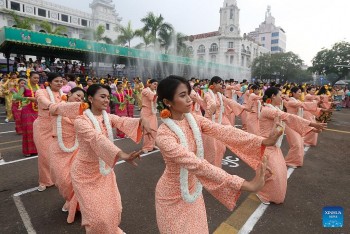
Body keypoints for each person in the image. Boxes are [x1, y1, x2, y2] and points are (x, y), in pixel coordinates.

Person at [155, 76, 282, 233]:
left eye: (189, 93)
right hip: (171, 197)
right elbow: (197, 164)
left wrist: (264, 141)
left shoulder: (193, 119)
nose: (189, 99)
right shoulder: (164, 135)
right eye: (182, 96)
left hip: (193, 190)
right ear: (168, 102)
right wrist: (245, 184)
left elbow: (223, 130)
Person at [71, 84, 152, 233]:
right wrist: (122, 155)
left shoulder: (108, 117)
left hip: (104, 172)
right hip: (84, 174)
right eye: (102, 97)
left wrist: (142, 121)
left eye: (108, 97)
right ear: (90, 98)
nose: (107, 100)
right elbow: (97, 139)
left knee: (114, 209)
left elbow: (122, 121)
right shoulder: (80, 121)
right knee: (96, 218)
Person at [257, 87, 326, 204]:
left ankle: (270, 193)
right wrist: (312, 124)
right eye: (279, 95)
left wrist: (311, 128)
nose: (281, 97)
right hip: (266, 147)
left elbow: (289, 120)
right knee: (274, 174)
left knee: (281, 173)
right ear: (273, 96)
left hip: (274, 146)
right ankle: (263, 193)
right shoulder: (267, 110)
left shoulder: (275, 108)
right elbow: (289, 117)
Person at [49, 87, 87, 223]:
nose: (79, 99)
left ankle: (76, 205)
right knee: (62, 179)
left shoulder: (81, 112)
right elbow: (53, 109)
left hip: (76, 148)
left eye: (82, 98)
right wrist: (77, 107)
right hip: (58, 148)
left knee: (75, 179)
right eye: (78, 95)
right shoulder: (56, 106)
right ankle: (70, 200)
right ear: (69, 93)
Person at [34, 73, 63, 192]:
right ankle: (44, 181)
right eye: (56, 81)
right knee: (44, 154)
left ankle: (55, 177)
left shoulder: (63, 94)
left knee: (56, 154)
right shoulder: (41, 92)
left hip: (57, 126)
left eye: (61, 81)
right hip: (42, 127)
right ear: (49, 82)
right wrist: (52, 105)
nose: (59, 83)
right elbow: (42, 100)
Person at [284, 87, 322, 168]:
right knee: (296, 144)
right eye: (299, 92)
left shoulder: (296, 101)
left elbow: (304, 106)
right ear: (293, 93)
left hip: (297, 124)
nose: (300, 94)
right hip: (290, 125)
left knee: (299, 143)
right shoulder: (291, 101)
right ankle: (289, 161)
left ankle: (293, 161)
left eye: (301, 92)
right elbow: (303, 105)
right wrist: (316, 102)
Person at [20, 72, 40, 157]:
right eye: (34, 78)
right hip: (27, 110)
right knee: (28, 130)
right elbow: (16, 97)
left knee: (36, 130)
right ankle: (27, 150)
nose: (36, 80)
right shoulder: (24, 86)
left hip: (37, 110)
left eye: (38, 78)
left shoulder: (40, 87)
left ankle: (35, 149)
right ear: (30, 77)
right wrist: (28, 98)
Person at [141, 79, 158, 153]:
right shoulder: (145, 91)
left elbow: (156, 99)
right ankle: (146, 147)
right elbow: (153, 97)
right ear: (149, 84)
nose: (155, 86)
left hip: (152, 113)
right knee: (147, 130)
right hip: (146, 112)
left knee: (154, 129)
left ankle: (152, 144)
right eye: (154, 84)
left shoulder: (155, 92)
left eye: (157, 84)